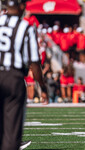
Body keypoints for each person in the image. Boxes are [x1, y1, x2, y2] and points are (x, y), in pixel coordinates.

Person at [0, 0, 48, 149]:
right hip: (13, 77)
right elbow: (34, 62)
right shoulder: (24, 27)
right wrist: (42, 86)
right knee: (12, 127)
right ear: (21, 6)